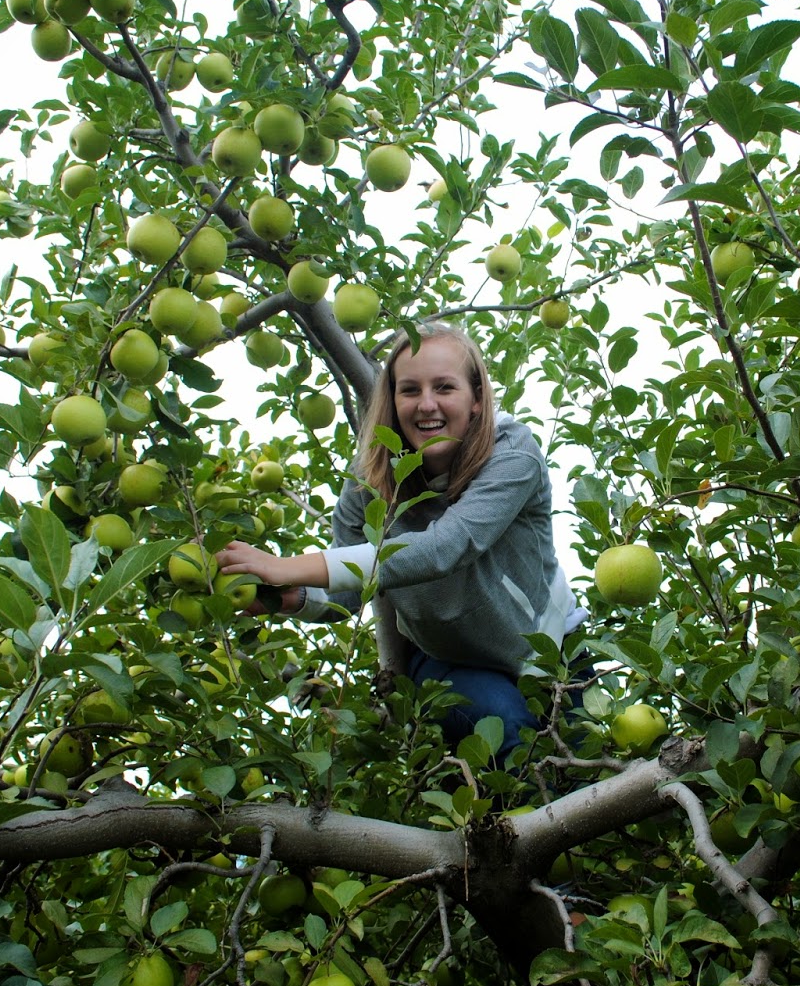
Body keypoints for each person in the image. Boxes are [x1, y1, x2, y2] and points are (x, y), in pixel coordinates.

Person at [215, 322, 586, 755]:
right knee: (508, 731)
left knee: (587, 766)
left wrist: (286, 566)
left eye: (444, 387)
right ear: (392, 401)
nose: (427, 404)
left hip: (550, 647)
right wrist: (291, 596)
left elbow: (446, 546)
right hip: (449, 661)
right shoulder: (368, 481)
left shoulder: (512, 451)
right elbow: (348, 591)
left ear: (477, 399)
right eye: (409, 390)